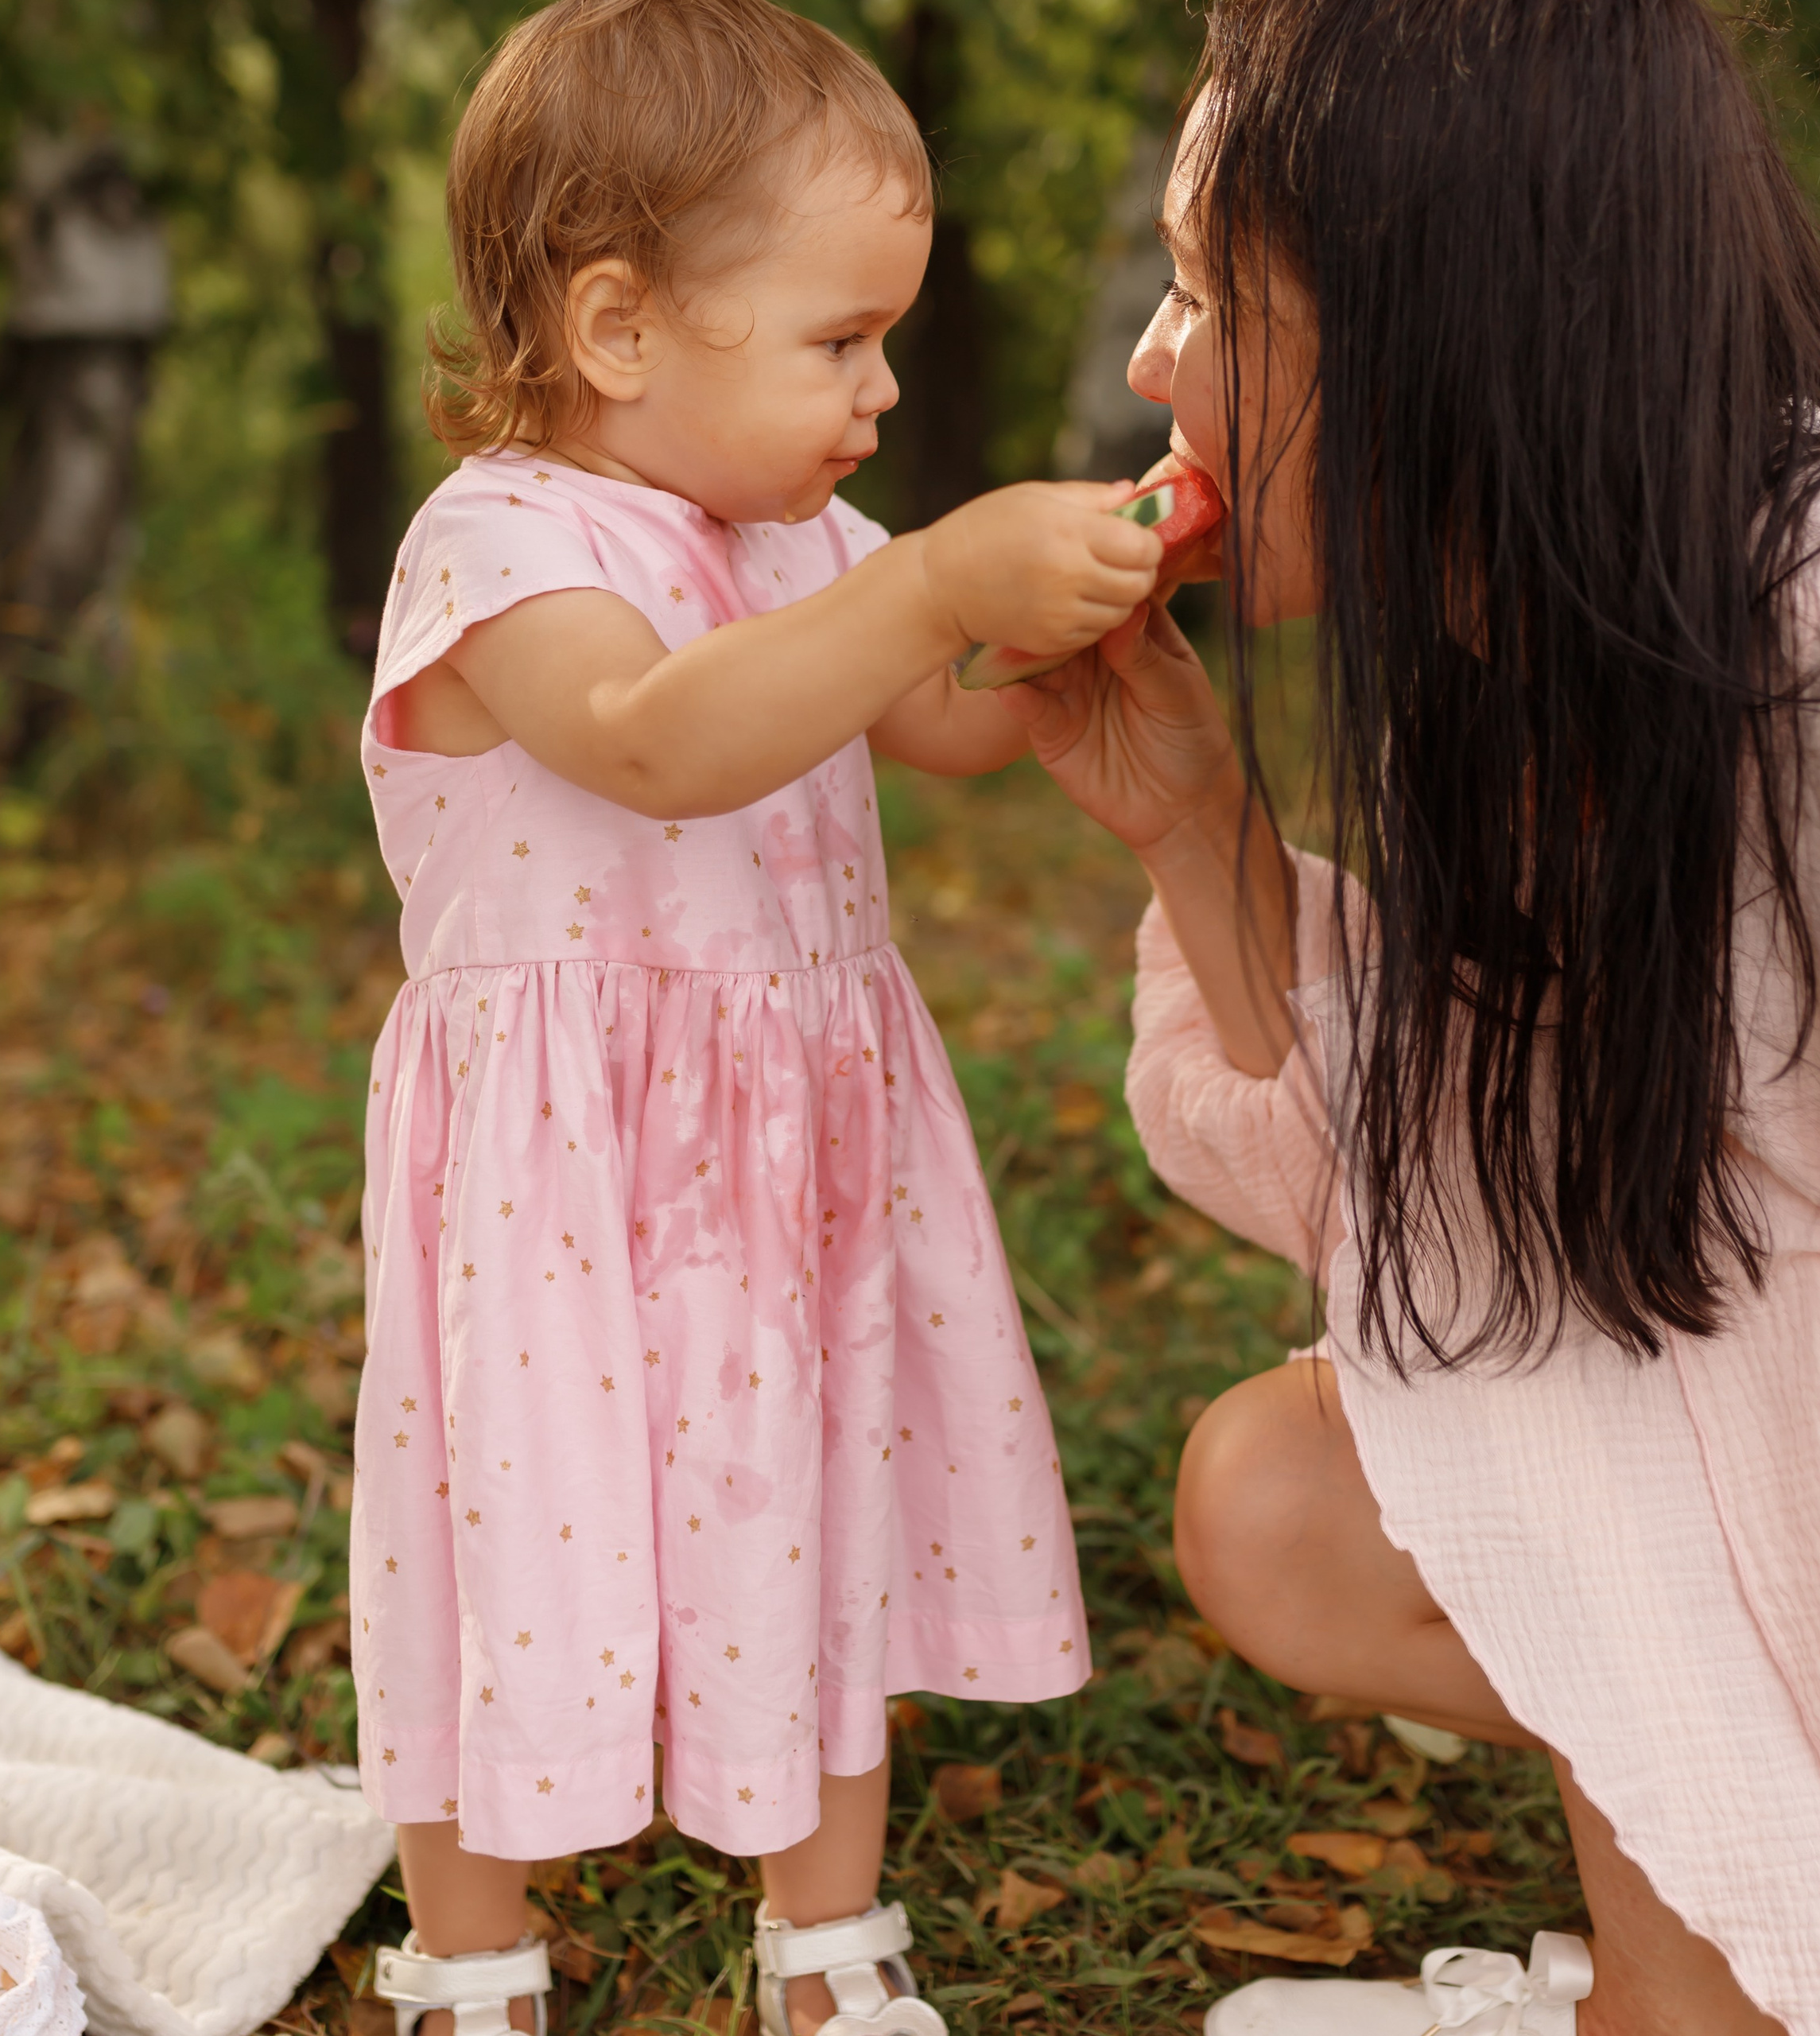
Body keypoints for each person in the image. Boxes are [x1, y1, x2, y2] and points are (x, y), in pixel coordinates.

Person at [1005, 2, 1820, 2032]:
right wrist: (1191, 816)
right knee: (1283, 1499)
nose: (1150, 369)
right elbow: (1440, 1193)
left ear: (1439, 328)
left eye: (1201, 298)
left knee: (1593, 1345)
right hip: (1819, 1472)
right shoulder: (1530, 653)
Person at [347, 6, 1156, 2032]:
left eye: (890, 337)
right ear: (617, 325)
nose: (882, 389)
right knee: (510, 1515)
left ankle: (825, 1936)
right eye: (838, 339)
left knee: (818, 1490)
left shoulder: (802, 536)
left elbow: (932, 718)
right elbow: (652, 739)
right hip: (568, 1174)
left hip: (791, 1143)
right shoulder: (503, 542)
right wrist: (926, 582)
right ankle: (469, 1951)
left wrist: (1063, 632)